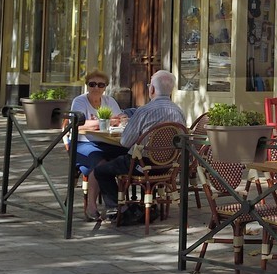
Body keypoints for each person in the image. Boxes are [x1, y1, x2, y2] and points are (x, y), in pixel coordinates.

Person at [94, 69, 187, 223]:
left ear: (151, 89)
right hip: (167, 166)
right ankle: (148, 207)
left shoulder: (144, 111)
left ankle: (121, 211)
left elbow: (125, 142)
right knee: (124, 160)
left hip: (141, 165)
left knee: (102, 171)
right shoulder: (179, 111)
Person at [66, 71, 127, 221]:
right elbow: (77, 125)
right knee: (99, 163)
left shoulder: (109, 101)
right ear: (87, 85)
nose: (96, 88)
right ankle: (91, 207)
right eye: (92, 84)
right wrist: (106, 122)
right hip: (82, 142)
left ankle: (123, 203)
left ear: (105, 87)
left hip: (105, 142)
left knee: (128, 154)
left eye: (100, 85)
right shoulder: (80, 101)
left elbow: (120, 119)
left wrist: (121, 119)